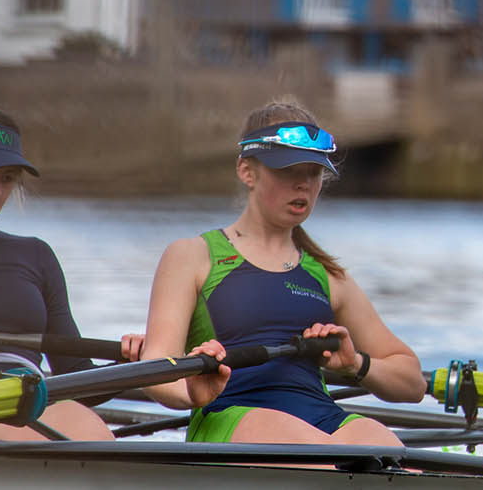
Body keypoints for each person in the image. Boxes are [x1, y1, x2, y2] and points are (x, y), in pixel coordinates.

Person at [139, 99, 425, 445]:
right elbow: (155, 365)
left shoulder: (329, 275)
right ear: (247, 172)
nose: (303, 184)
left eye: (313, 172)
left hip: (321, 417)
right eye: (287, 170)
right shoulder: (191, 256)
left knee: (385, 445)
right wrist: (190, 392)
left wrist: (357, 365)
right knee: (328, 454)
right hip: (231, 414)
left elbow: (412, 382)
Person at [0, 102, 147, 451]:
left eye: (7, 179)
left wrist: (135, 360)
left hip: (31, 401)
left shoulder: (35, 254)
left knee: (94, 436)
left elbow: (76, 376)